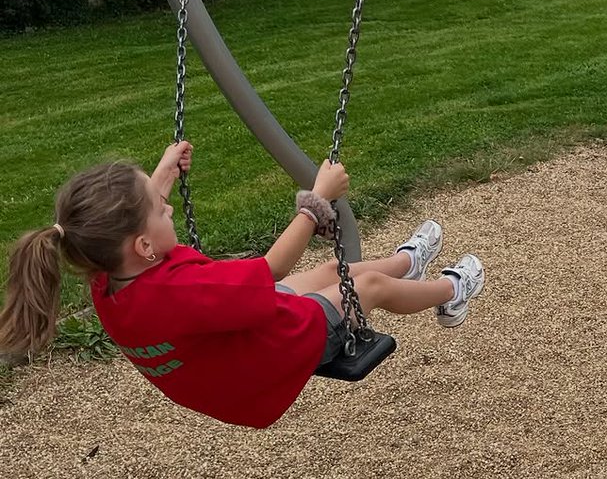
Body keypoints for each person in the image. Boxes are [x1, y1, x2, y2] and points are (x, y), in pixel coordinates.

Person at [0, 142, 485, 429]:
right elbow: (271, 267)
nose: (167, 205)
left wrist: (163, 174)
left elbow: (130, 229)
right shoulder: (182, 291)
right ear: (145, 244)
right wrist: (317, 201)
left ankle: (409, 263)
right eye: (160, 205)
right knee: (368, 286)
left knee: (327, 275)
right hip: (270, 359)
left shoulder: (105, 272)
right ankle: (450, 292)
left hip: (230, 352)